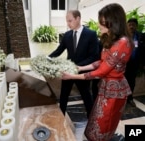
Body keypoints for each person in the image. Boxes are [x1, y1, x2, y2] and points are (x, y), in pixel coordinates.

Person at [61, 3, 133, 141]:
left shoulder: (122, 42)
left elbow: (101, 71)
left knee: (104, 122)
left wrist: (72, 75)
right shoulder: (114, 39)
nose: (99, 25)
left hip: (114, 91)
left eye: (102, 22)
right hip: (106, 88)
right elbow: (102, 62)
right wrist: (81, 68)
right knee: (98, 123)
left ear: (113, 22)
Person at [48, 10, 99, 118]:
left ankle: (91, 120)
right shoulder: (66, 35)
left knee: (86, 96)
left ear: (78, 18)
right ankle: (61, 117)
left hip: (83, 72)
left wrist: (78, 67)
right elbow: (58, 51)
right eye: (67, 21)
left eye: (70, 21)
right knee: (63, 96)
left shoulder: (91, 34)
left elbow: (94, 56)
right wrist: (46, 59)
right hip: (67, 72)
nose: (68, 24)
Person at [124, 18, 145, 107]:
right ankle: (121, 99)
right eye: (130, 25)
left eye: (133, 25)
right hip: (123, 64)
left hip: (134, 64)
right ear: (127, 26)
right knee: (122, 82)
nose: (131, 26)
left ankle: (130, 99)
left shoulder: (141, 36)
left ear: (136, 26)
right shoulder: (123, 36)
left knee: (131, 82)